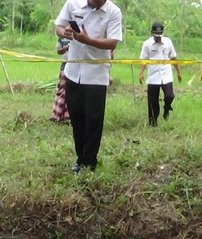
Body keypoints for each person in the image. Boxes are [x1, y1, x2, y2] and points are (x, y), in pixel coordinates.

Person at [55, 0, 122, 173]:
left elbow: (113, 42)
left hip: (97, 76)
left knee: (93, 120)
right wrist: (66, 33)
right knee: (77, 119)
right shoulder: (72, 4)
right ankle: (80, 159)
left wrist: (88, 40)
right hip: (73, 71)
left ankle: (90, 162)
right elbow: (59, 26)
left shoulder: (113, 12)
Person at [138, 22, 182, 127]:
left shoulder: (168, 42)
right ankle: (153, 122)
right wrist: (141, 73)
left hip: (166, 75)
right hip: (153, 76)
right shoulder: (147, 44)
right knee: (152, 101)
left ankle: (167, 107)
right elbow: (144, 60)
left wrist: (178, 72)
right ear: (152, 33)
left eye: (160, 35)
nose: (158, 38)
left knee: (170, 95)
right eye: (156, 35)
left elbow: (173, 58)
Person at [49, 38, 70, 123]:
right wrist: (65, 48)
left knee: (73, 92)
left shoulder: (79, 34)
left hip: (77, 67)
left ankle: (68, 116)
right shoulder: (62, 37)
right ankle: (56, 115)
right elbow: (58, 51)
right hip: (65, 66)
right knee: (61, 90)